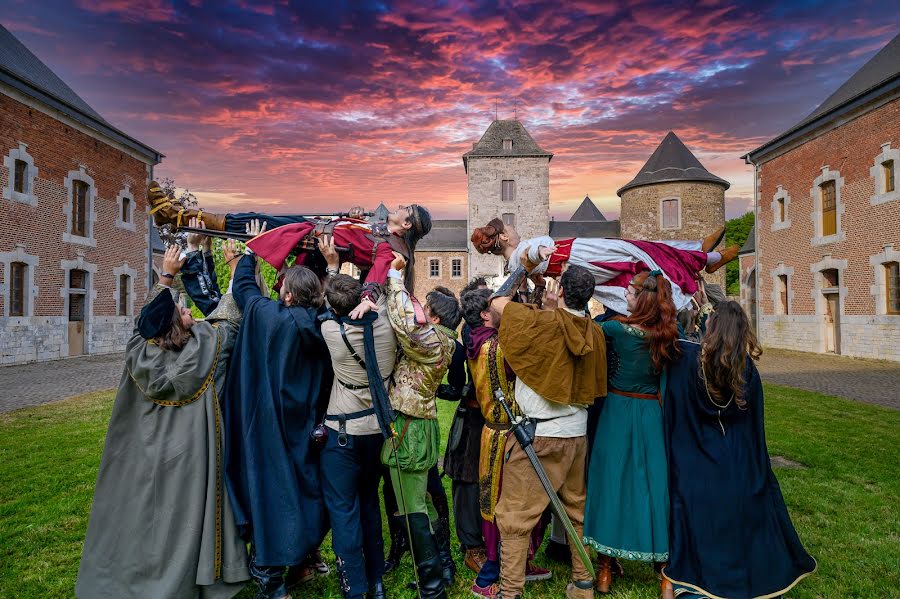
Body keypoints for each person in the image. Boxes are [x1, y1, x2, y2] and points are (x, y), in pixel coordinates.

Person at [77, 243, 250, 598]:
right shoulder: (207, 348)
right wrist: (236, 269)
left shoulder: (139, 351)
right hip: (190, 457)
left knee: (148, 515)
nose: (187, 308)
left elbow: (147, 323)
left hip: (147, 453)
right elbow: (230, 317)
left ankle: (138, 577)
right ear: (174, 321)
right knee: (181, 518)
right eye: (181, 308)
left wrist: (166, 277)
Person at [662, 301, 817, 598]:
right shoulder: (746, 369)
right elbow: (754, 429)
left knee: (706, 513)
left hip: (698, 459)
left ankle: (700, 580)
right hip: (736, 459)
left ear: (714, 326)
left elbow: (675, 403)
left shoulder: (688, 362)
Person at [222, 223, 334, 599]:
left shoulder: (269, 317)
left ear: (285, 295)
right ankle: (305, 559)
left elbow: (245, 290)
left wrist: (253, 250)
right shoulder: (324, 325)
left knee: (271, 497)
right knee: (305, 489)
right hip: (306, 424)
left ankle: (271, 583)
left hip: (270, 426)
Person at [490, 265, 608, 599]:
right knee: (576, 509)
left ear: (559, 288)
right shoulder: (595, 333)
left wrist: (523, 268)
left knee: (515, 514)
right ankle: (583, 583)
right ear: (590, 295)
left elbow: (497, 303)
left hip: (538, 434)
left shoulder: (540, 322)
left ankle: (509, 591)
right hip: (576, 434)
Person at [147, 181, 432, 303]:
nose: (398, 206)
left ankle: (176, 216)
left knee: (254, 220)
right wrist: (355, 215)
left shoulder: (393, 250)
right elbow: (355, 227)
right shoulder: (381, 229)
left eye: (404, 209)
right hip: (312, 228)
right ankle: (175, 216)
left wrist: (366, 301)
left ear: (406, 225)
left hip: (310, 239)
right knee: (257, 218)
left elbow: (377, 277)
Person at [582, 270, 680, 598]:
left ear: (642, 298)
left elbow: (583, 328)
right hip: (652, 413)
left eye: (629, 291)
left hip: (617, 413)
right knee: (654, 488)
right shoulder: (669, 334)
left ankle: (606, 571)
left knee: (611, 483)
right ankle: (666, 577)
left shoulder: (615, 330)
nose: (624, 295)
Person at [317, 243, 398, 599]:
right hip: (376, 432)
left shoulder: (332, 332)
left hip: (344, 434)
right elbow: (380, 290)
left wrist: (332, 264)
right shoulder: (387, 325)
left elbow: (326, 305)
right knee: (368, 504)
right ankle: (376, 582)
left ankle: (355, 585)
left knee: (344, 512)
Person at [460, 287, 551, 598]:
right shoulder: (498, 346)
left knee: (498, 501)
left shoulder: (476, 339)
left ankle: (519, 563)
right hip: (510, 434)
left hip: (493, 431)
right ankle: (489, 577)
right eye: (497, 305)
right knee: (510, 504)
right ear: (486, 315)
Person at [380, 251, 458, 599]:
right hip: (419, 425)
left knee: (411, 507)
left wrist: (396, 280)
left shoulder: (431, 340)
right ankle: (438, 572)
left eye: (425, 307)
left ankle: (431, 588)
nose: (419, 310)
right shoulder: (443, 338)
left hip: (410, 429)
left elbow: (405, 326)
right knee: (422, 504)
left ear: (436, 317)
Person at [470, 218, 738, 315]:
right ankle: (704, 256)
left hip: (575, 261)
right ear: (503, 237)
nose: (514, 230)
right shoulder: (518, 254)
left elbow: (530, 271)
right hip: (577, 254)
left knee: (638, 255)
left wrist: (539, 279)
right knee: (638, 252)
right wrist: (540, 252)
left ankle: (699, 253)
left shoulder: (512, 262)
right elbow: (530, 257)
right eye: (509, 228)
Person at [442, 277, 489, 575]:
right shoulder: (472, 335)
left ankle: (479, 540)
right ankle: (471, 545)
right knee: (467, 481)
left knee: (481, 481)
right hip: (472, 417)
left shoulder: (484, 335)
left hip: (489, 418)